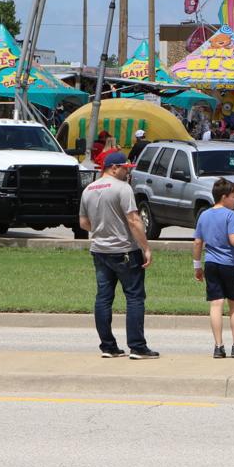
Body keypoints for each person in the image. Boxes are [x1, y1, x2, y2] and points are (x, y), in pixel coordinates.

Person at [78, 151, 158, 359]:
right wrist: (145, 248)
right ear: (113, 168)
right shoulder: (123, 188)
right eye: (125, 169)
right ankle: (137, 346)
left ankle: (108, 346)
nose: (127, 173)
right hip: (125, 250)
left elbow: (84, 223)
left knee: (104, 298)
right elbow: (134, 220)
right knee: (134, 297)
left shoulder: (88, 189)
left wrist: (102, 227)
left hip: (99, 250)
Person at [192, 178, 234, 358]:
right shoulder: (230, 215)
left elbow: (198, 242)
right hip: (230, 264)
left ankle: (218, 346)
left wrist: (197, 265)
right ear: (224, 197)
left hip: (211, 263)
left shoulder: (204, 215)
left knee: (215, 304)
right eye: (233, 197)